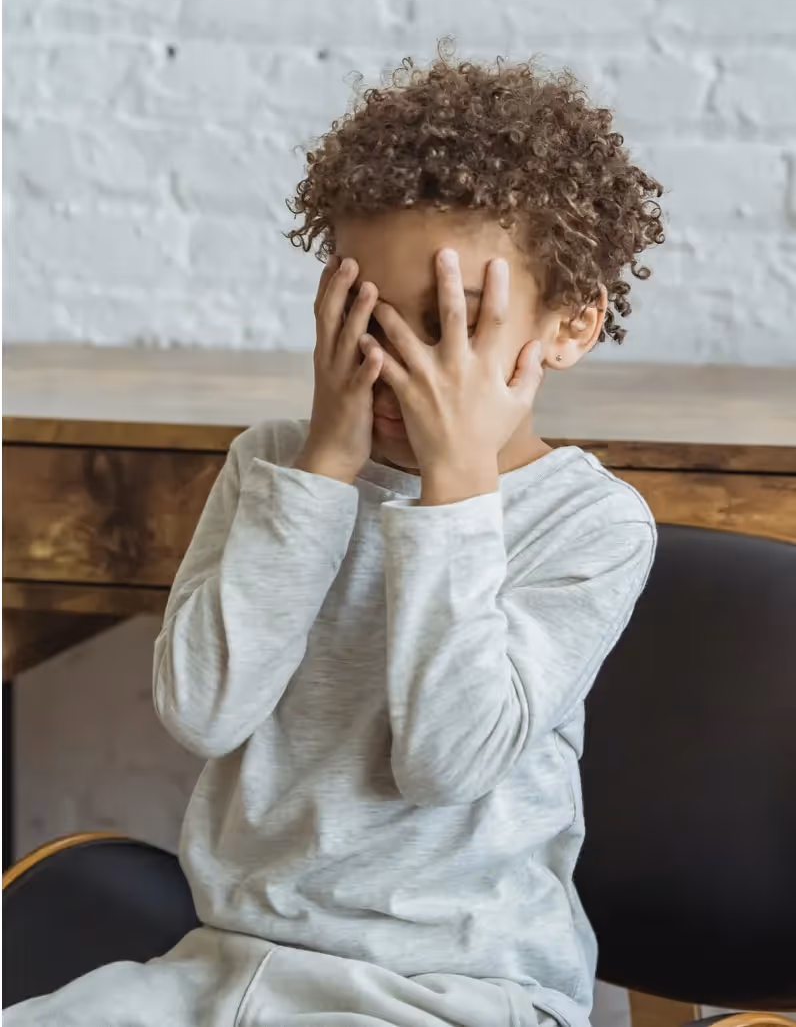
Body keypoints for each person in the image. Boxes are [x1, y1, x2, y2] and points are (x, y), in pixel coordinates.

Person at [8, 53, 664, 1027]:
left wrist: (454, 490)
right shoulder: (278, 467)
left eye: (448, 323)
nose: (398, 366)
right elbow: (205, 711)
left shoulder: (589, 523)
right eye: (368, 319)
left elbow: (448, 759)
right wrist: (319, 467)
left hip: (458, 987)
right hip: (228, 965)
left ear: (567, 326)